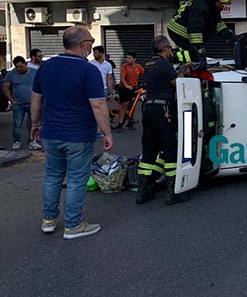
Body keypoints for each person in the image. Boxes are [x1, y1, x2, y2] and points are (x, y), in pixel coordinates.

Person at [30, 26, 113, 239]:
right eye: (91, 43)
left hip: (51, 133)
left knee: (52, 176)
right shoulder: (88, 70)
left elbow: (36, 99)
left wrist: (35, 124)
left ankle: (48, 221)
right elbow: (98, 105)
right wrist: (107, 133)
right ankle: (73, 225)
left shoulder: (45, 68)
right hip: (78, 134)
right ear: (83, 45)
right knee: (76, 179)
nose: (91, 47)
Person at [136, 35, 190, 206]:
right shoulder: (163, 63)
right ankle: (172, 192)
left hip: (149, 110)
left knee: (149, 151)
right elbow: (178, 84)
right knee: (170, 148)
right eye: (169, 49)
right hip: (163, 110)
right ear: (165, 48)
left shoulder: (148, 64)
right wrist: (181, 71)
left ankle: (143, 192)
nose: (170, 52)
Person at [167, 0, 236, 71]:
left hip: (188, 29)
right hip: (178, 30)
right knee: (194, 56)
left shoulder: (212, 5)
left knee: (196, 55)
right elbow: (195, 32)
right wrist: (201, 54)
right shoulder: (200, 7)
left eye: (226, 4)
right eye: (222, 3)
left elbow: (217, 23)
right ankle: (172, 57)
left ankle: (178, 54)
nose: (224, 6)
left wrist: (231, 36)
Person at [3, 56, 40, 150]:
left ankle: (33, 141)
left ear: (25, 64)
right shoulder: (11, 74)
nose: (20, 69)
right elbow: (5, 86)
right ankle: (17, 141)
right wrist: (11, 100)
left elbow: (40, 85)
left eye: (21, 66)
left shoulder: (34, 73)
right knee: (17, 124)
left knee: (33, 123)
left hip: (32, 102)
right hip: (18, 103)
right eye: (17, 67)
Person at [115, 51, 144, 131]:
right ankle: (120, 123)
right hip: (124, 88)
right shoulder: (124, 67)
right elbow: (122, 78)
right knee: (125, 104)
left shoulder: (138, 67)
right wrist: (127, 85)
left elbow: (144, 72)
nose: (127, 59)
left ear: (134, 59)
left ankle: (130, 121)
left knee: (133, 104)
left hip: (133, 88)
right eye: (127, 58)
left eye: (129, 58)